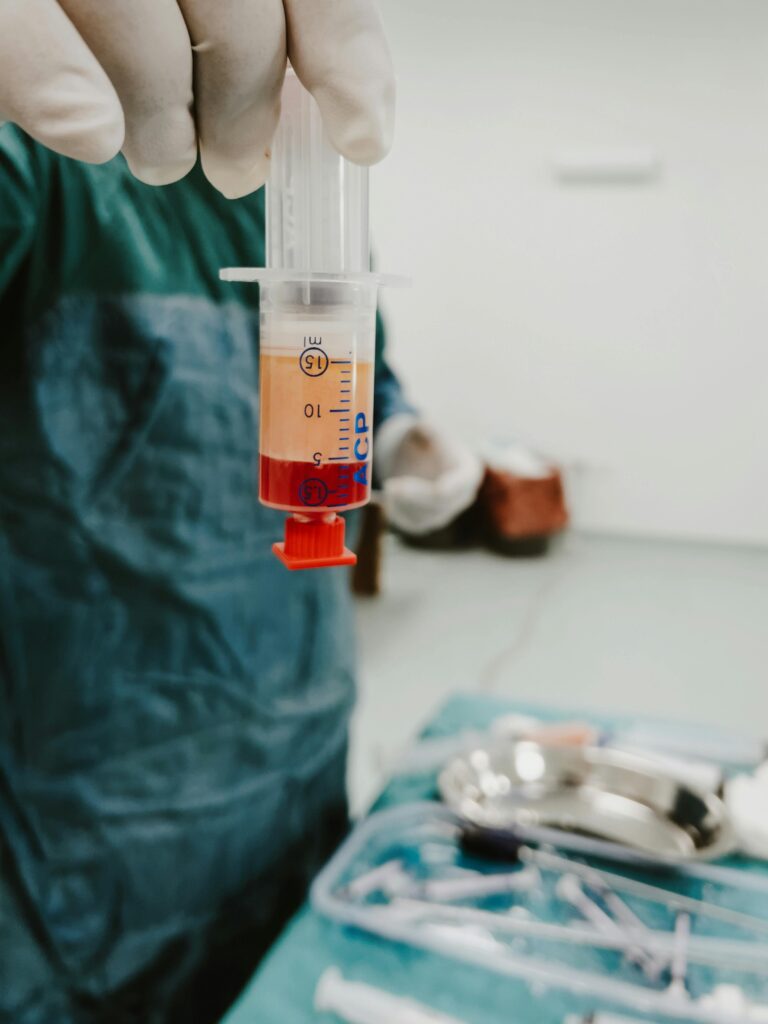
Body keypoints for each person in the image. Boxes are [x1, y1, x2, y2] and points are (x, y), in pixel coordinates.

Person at [0, 4, 482, 1021]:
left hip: (299, 736)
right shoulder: (46, 151)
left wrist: (399, 438)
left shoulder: (290, 190)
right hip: (100, 793)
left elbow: (358, 365)